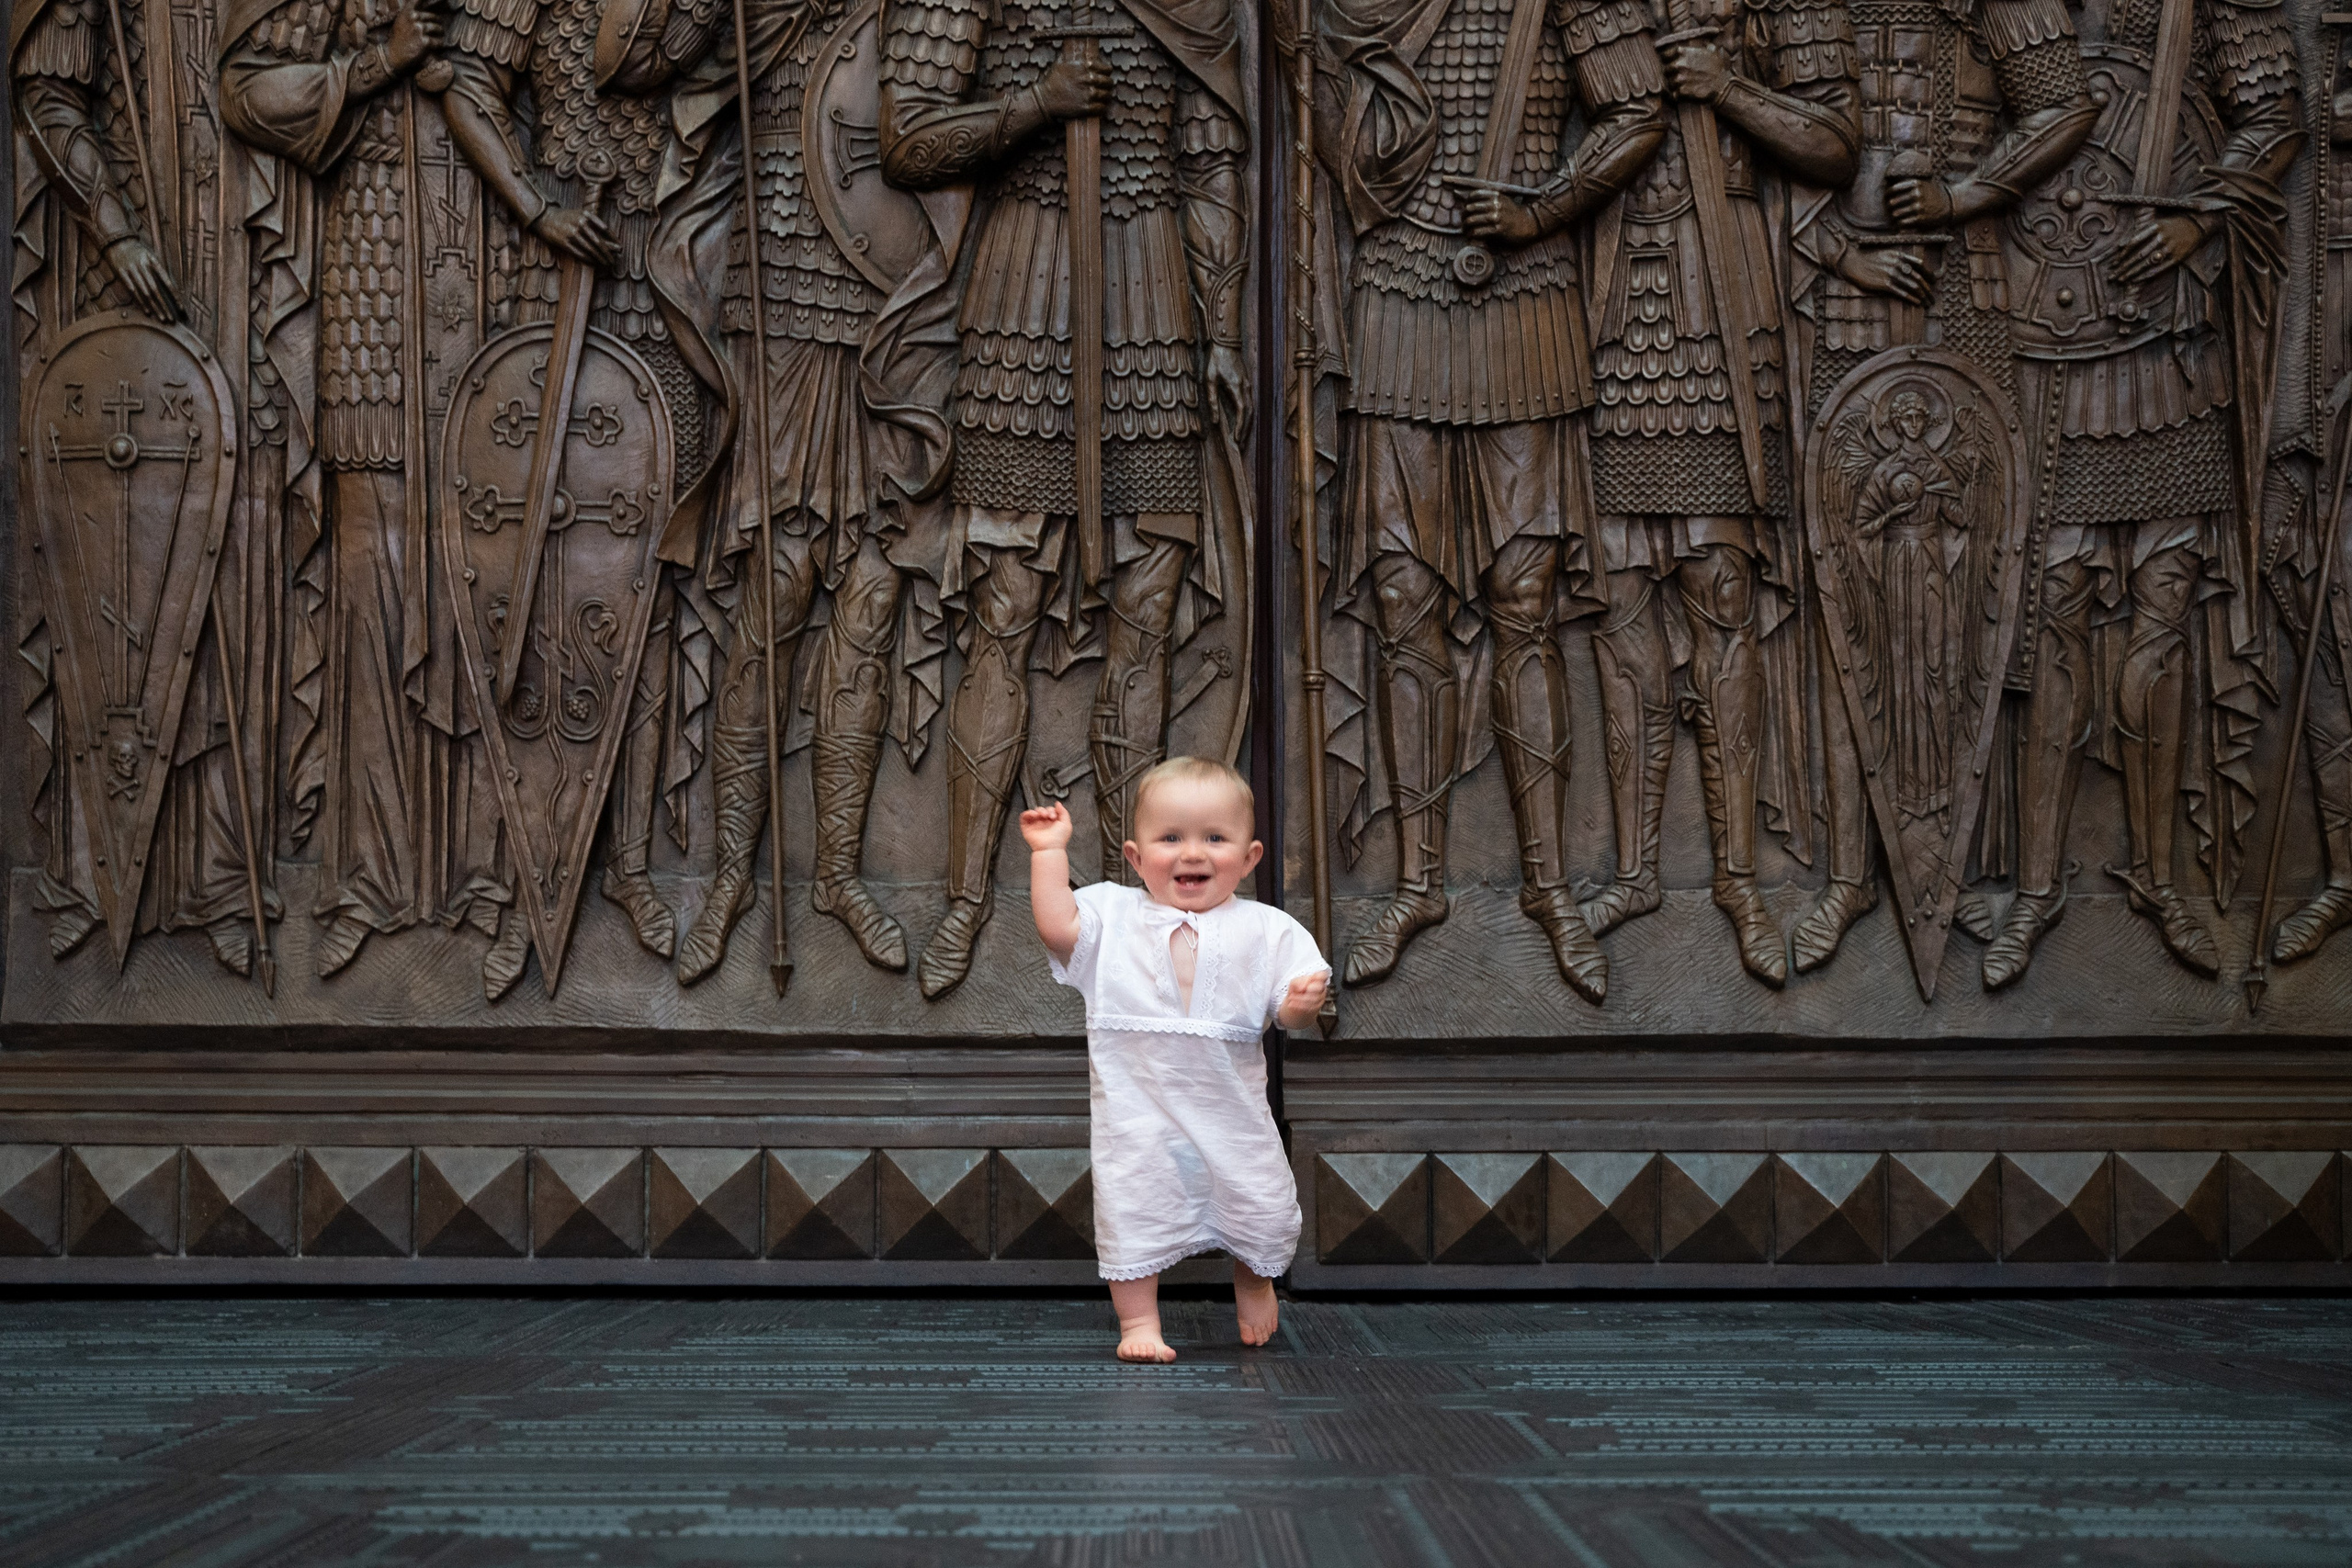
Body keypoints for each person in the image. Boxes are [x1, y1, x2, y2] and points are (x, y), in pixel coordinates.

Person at [1021, 757, 1327, 1363]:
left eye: (1215, 837)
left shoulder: (1269, 929)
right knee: (1134, 1201)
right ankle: (1138, 1321)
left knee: (1258, 1198)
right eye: (1171, 838)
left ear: (1250, 856)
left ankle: (1255, 1275)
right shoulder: (1113, 914)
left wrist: (1299, 1004)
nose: (1193, 853)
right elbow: (1057, 927)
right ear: (1135, 857)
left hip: (1230, 1110)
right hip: (1140, 1114)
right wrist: (1049, 851)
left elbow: (1291, 1015)